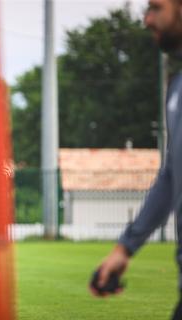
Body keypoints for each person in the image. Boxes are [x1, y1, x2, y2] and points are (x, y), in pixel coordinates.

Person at [93, 0, 182, 318]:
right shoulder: (176, 88)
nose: (147, 19)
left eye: (157, 8)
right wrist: (126, 247)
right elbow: (171, 174)